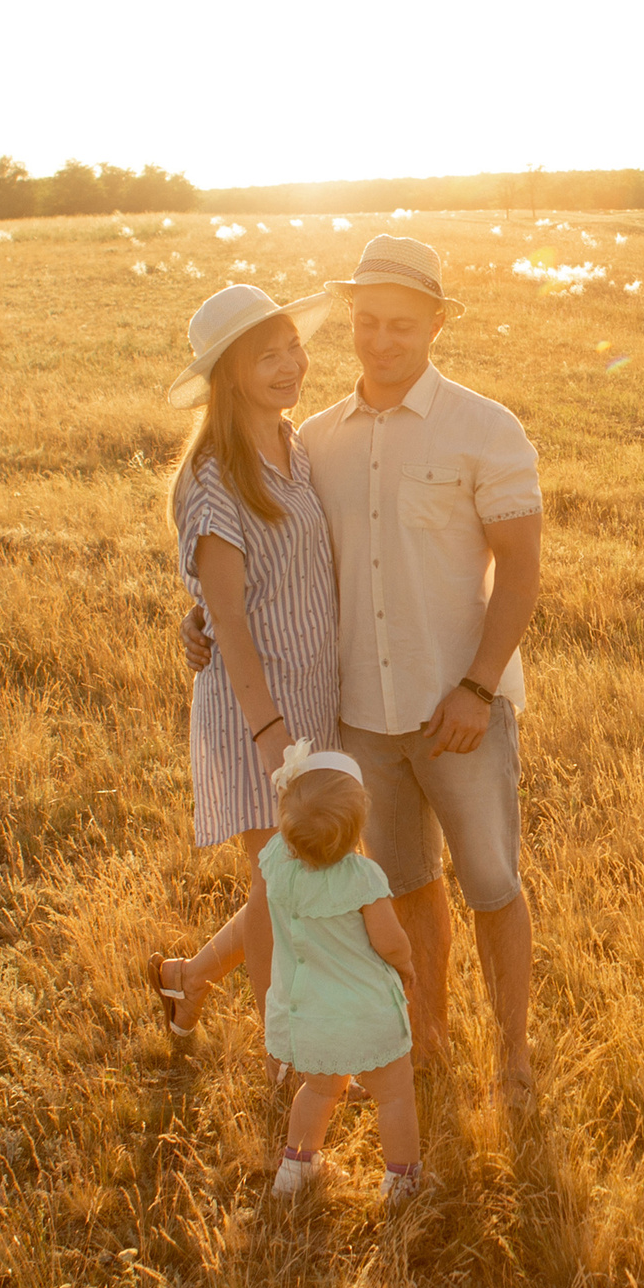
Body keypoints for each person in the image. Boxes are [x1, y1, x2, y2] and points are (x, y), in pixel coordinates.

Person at [187, 234, 544, 1109]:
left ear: (435, 324)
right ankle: (427, 1042)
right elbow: (260, 564)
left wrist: (477, 685)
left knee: (493, 885)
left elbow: (523, 571)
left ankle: (515, 1059)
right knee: (408, 885)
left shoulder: (485, 427)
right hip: (358, 719)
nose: (382, 340)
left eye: (402, 324)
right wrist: (202, 615)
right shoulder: (313, 442)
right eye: (367, 322)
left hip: (460, 706)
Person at [146, 284, 339, 1040]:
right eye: (269, 355)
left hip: (313, 698)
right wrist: (270, 737)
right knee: (282, 886)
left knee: (285, 883)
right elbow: (226, 617)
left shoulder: (296, 446)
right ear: (229, 373)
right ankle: (287, 1059)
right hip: (261, 711)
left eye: (293, 345)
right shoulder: (216, 475)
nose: (292, 363)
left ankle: (188, 978)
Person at [259, 745, 422, 1203]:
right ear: (356, 832)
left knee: (318, 1089)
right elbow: (389, 941)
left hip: (311, 1013)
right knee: (393, 1094)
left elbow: (283, 834)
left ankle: (295, 1170)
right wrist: (405, 963)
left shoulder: (276, 865)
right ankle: (402, 1180)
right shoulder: (363, 878)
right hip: (365, 1012)